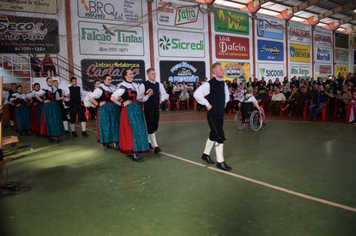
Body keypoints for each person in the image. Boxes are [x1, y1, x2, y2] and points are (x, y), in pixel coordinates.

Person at [194, 62, 231, 171]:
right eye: (220, 69)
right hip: (213, 114)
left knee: (213, 135)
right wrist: (206, 104)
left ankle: (205, 154)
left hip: (220, 113)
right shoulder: (208, 84)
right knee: (220, 136)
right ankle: (220, 162)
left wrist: (225, 101)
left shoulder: (223, 84)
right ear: (214, 72)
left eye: (222, 69)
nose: (222, 71)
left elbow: (226, 94)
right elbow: (197, 94)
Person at [111, 68, 151, 162]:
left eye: (132, 73)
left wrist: (146, 93)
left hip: (136, 108)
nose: (132, 75)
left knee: (138, 129)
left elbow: (138, 97)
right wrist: (121, 104)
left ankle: (134, 151)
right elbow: (113, 97)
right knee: (131, 130)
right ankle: (133, 152)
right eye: (130, 74)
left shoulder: (135, 85)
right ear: (125, 76)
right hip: (128, 110)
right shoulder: (122, 86)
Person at [137, 68, 168, 153]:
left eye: (155, 74)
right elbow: (140, 98)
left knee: (155, 127)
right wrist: (147, 95)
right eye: (152, 74)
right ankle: (155, 146)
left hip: (156, 108)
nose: (154, 76)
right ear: (148, 75)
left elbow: (164, 94)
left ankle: (149, 142)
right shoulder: (143, 85)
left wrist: (161, 100)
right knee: (151, 127)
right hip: (147, 108)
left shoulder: (159, 85)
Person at [89, 74, 120, 148]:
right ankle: (107, 141)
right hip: (105, 109)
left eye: (110, 79)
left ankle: (116, 142)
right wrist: (98, 104)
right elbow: (91, 97)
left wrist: (117, 100)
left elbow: (118, 96)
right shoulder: (100, 88)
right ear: (104, 80)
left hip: (114, 107)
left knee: (115, 124)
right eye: (108, 79)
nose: (110, 81)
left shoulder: (114, 87)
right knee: (106, 125)